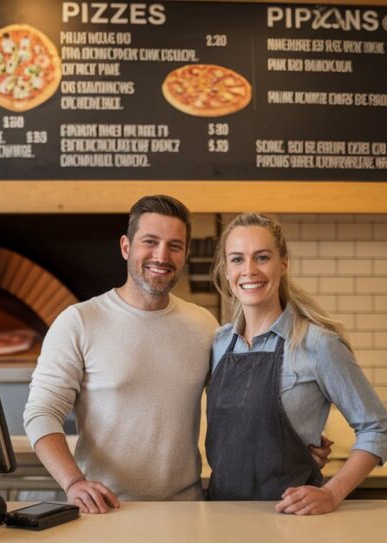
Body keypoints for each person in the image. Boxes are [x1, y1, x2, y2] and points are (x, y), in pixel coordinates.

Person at [24, 197, 331, 513]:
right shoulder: (79, 322)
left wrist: (293, 438)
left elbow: (237, 404)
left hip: (187, 511)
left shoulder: (203, 326)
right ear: (126, 247)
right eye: (150, 242)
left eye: (174, 246)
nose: (161, 255)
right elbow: (41, 413)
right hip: (104, 509)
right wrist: (73, 482)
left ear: (185, 254)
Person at [206, 212, 387, 515]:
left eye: (262, 257)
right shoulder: (218, 343)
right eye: (238, 259)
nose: (249, 270)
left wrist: (332, 493)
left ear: (283, 264)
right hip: (219, 516)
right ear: (226, 270)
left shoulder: (318, 344)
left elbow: (378, 428)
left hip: (291, 518)